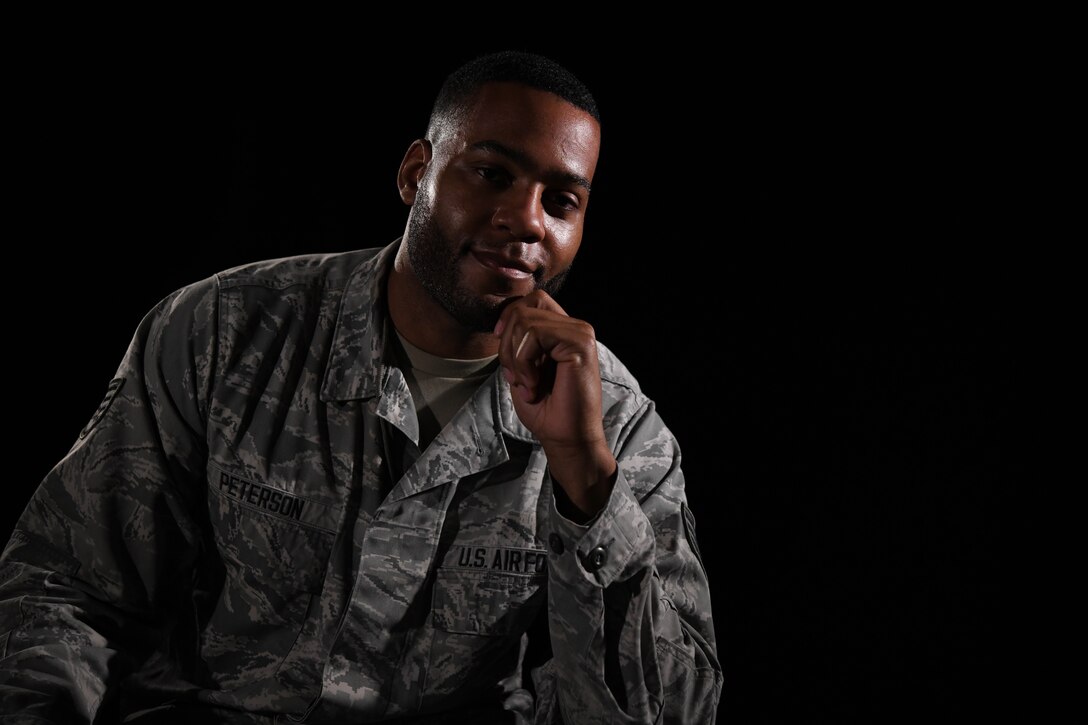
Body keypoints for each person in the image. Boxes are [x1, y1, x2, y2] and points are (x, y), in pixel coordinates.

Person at [0, 51, 721, 723]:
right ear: (416, 173)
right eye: (492, 174)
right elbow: (65, 588)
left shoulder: (620, 432)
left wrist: (585, 481)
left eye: (561, 201)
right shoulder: (223, 334)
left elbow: (675, 712)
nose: (527, 219)